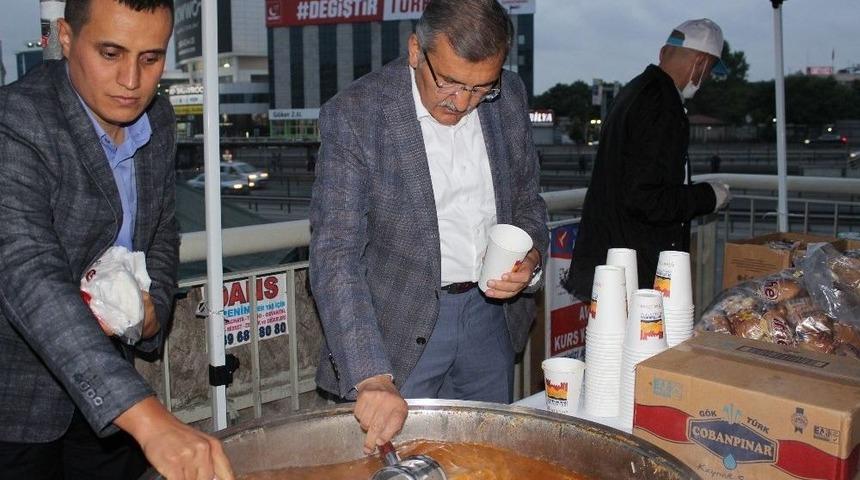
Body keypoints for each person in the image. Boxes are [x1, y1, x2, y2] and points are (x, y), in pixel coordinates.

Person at [0, 1, 234, 479]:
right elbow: (27, 271)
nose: (132, 81)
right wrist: (149, 419)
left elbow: (162, 229)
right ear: (66, 38)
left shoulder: (159, 118)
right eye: (110, 54)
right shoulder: (17, 120)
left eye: (151, 58)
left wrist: (154, 312)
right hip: (18, 402)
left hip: (112, 396)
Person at [309, 0, 547, 455]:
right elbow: (335, 254)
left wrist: (531, 259)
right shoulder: (358, 114)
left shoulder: (510, 95)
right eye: (450, 82)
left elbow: (527, 204)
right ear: (416, 50)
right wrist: (371, 375)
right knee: (398, 466)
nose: (462, 102)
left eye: (481, 88)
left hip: (490, 321)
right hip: (395, 332)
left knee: (486, 459)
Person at [565, 18, 732, 302]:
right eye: (709, 72)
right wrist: (709, 197)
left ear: (663, 52)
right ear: (701, 63)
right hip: (635, 270)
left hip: (611, 262)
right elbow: (646, 199)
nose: (706, 80)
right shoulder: (663, 106)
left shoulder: (635, 91)